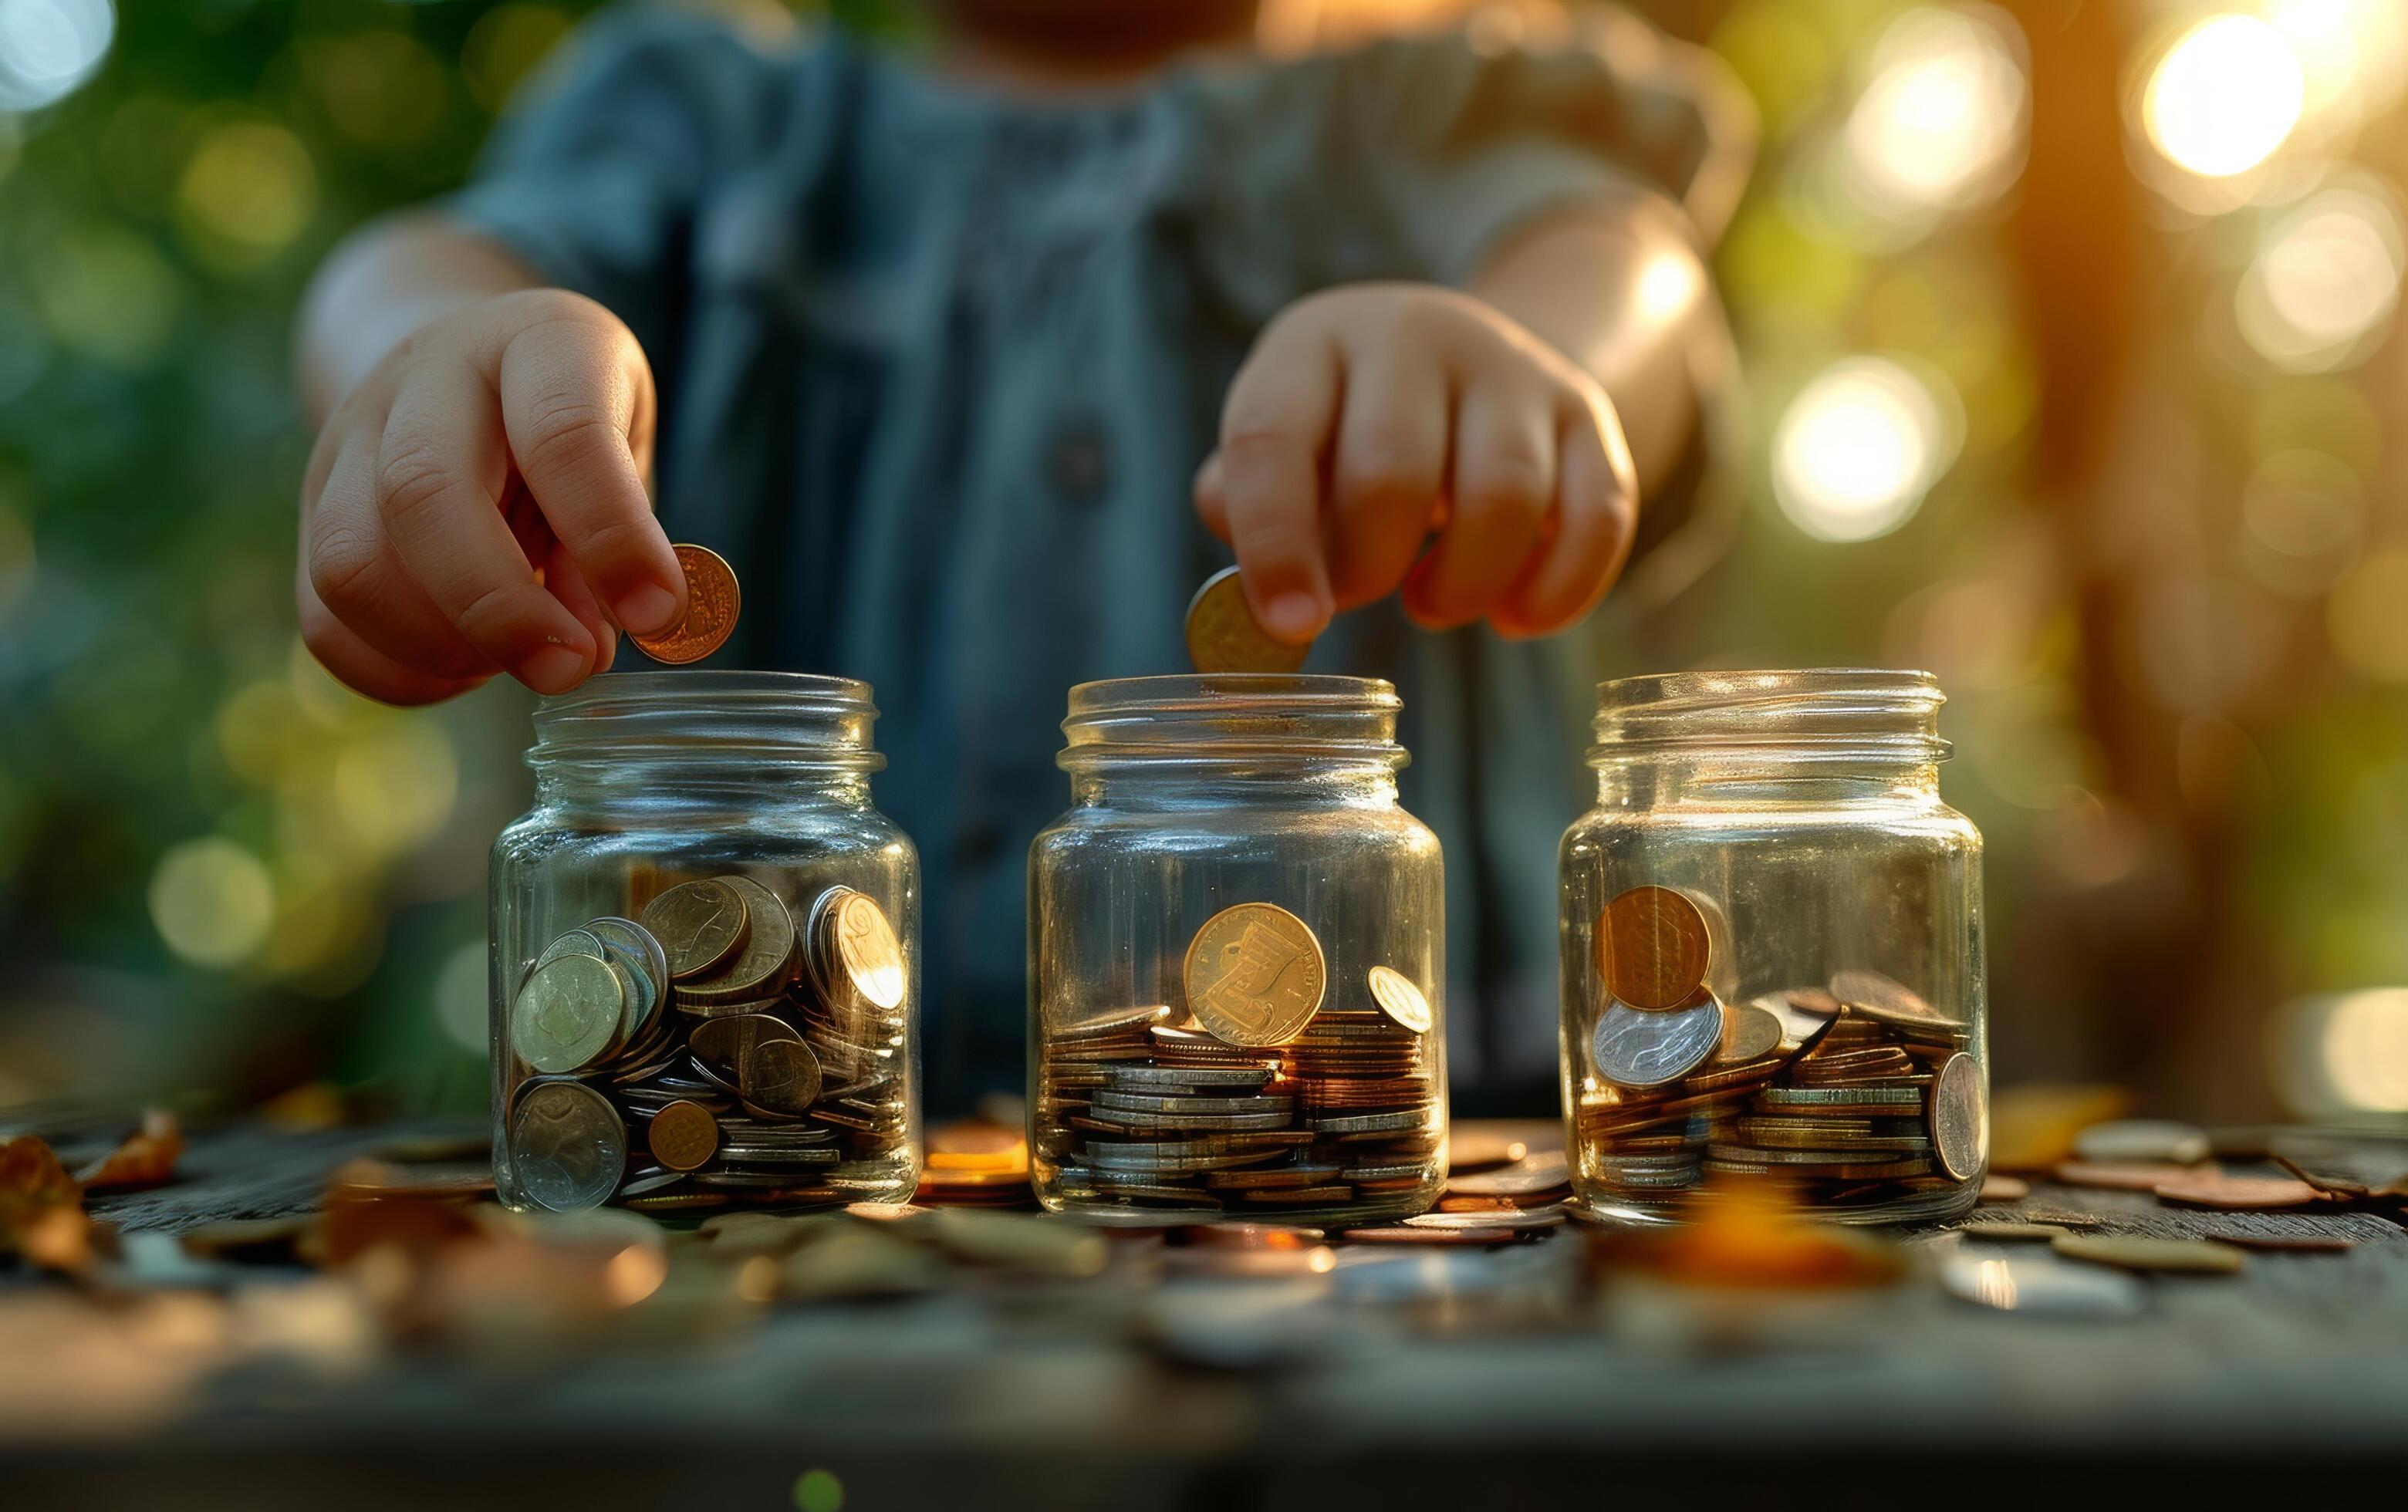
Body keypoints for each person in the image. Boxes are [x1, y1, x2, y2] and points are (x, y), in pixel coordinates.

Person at [292, 0, 1753, 1109]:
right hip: (764, 1126)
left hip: (1398, 1141)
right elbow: (410, 269)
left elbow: (1630, 271)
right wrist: (431, 365)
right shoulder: (705, 120)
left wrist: (1533, 364)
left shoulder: (1442, 107)